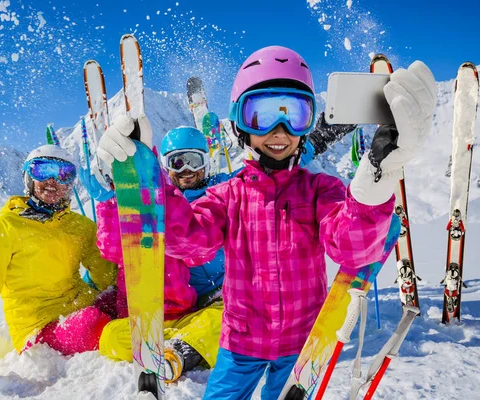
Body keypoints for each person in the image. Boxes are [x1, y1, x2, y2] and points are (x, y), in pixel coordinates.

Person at [96, 46, 436, 399]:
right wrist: (144, 181)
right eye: (262, 114)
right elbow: (189, 242)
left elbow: (353, 248)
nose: (280, 130)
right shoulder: (229, 195)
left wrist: (373, 185)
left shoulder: (321, 190)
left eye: (295, 114)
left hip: (300, 347)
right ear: (240, 123)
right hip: (240, 343)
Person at [80, 126, 237, 383]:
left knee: (228, 319)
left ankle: (180, 353)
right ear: (166, 167)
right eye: (177, 162)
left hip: (216, 299)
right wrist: (110, 201)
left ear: (206, 163)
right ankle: (169, 342)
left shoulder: (219, 193)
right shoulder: (150, 200)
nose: (186, 170)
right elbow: (115, 250)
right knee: (109, 336)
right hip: (177, 309)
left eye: (193, 160)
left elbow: (260, 176)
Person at [0, 145, 117, 371]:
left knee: (122, 304)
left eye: (63, 174)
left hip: (81, 308)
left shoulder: (79, 226)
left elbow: (106, 274)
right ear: (28, 177)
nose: (53, 181)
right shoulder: (6, 226)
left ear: (71, 184)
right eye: (43, 171)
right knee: (93, 324)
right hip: (37, 329)